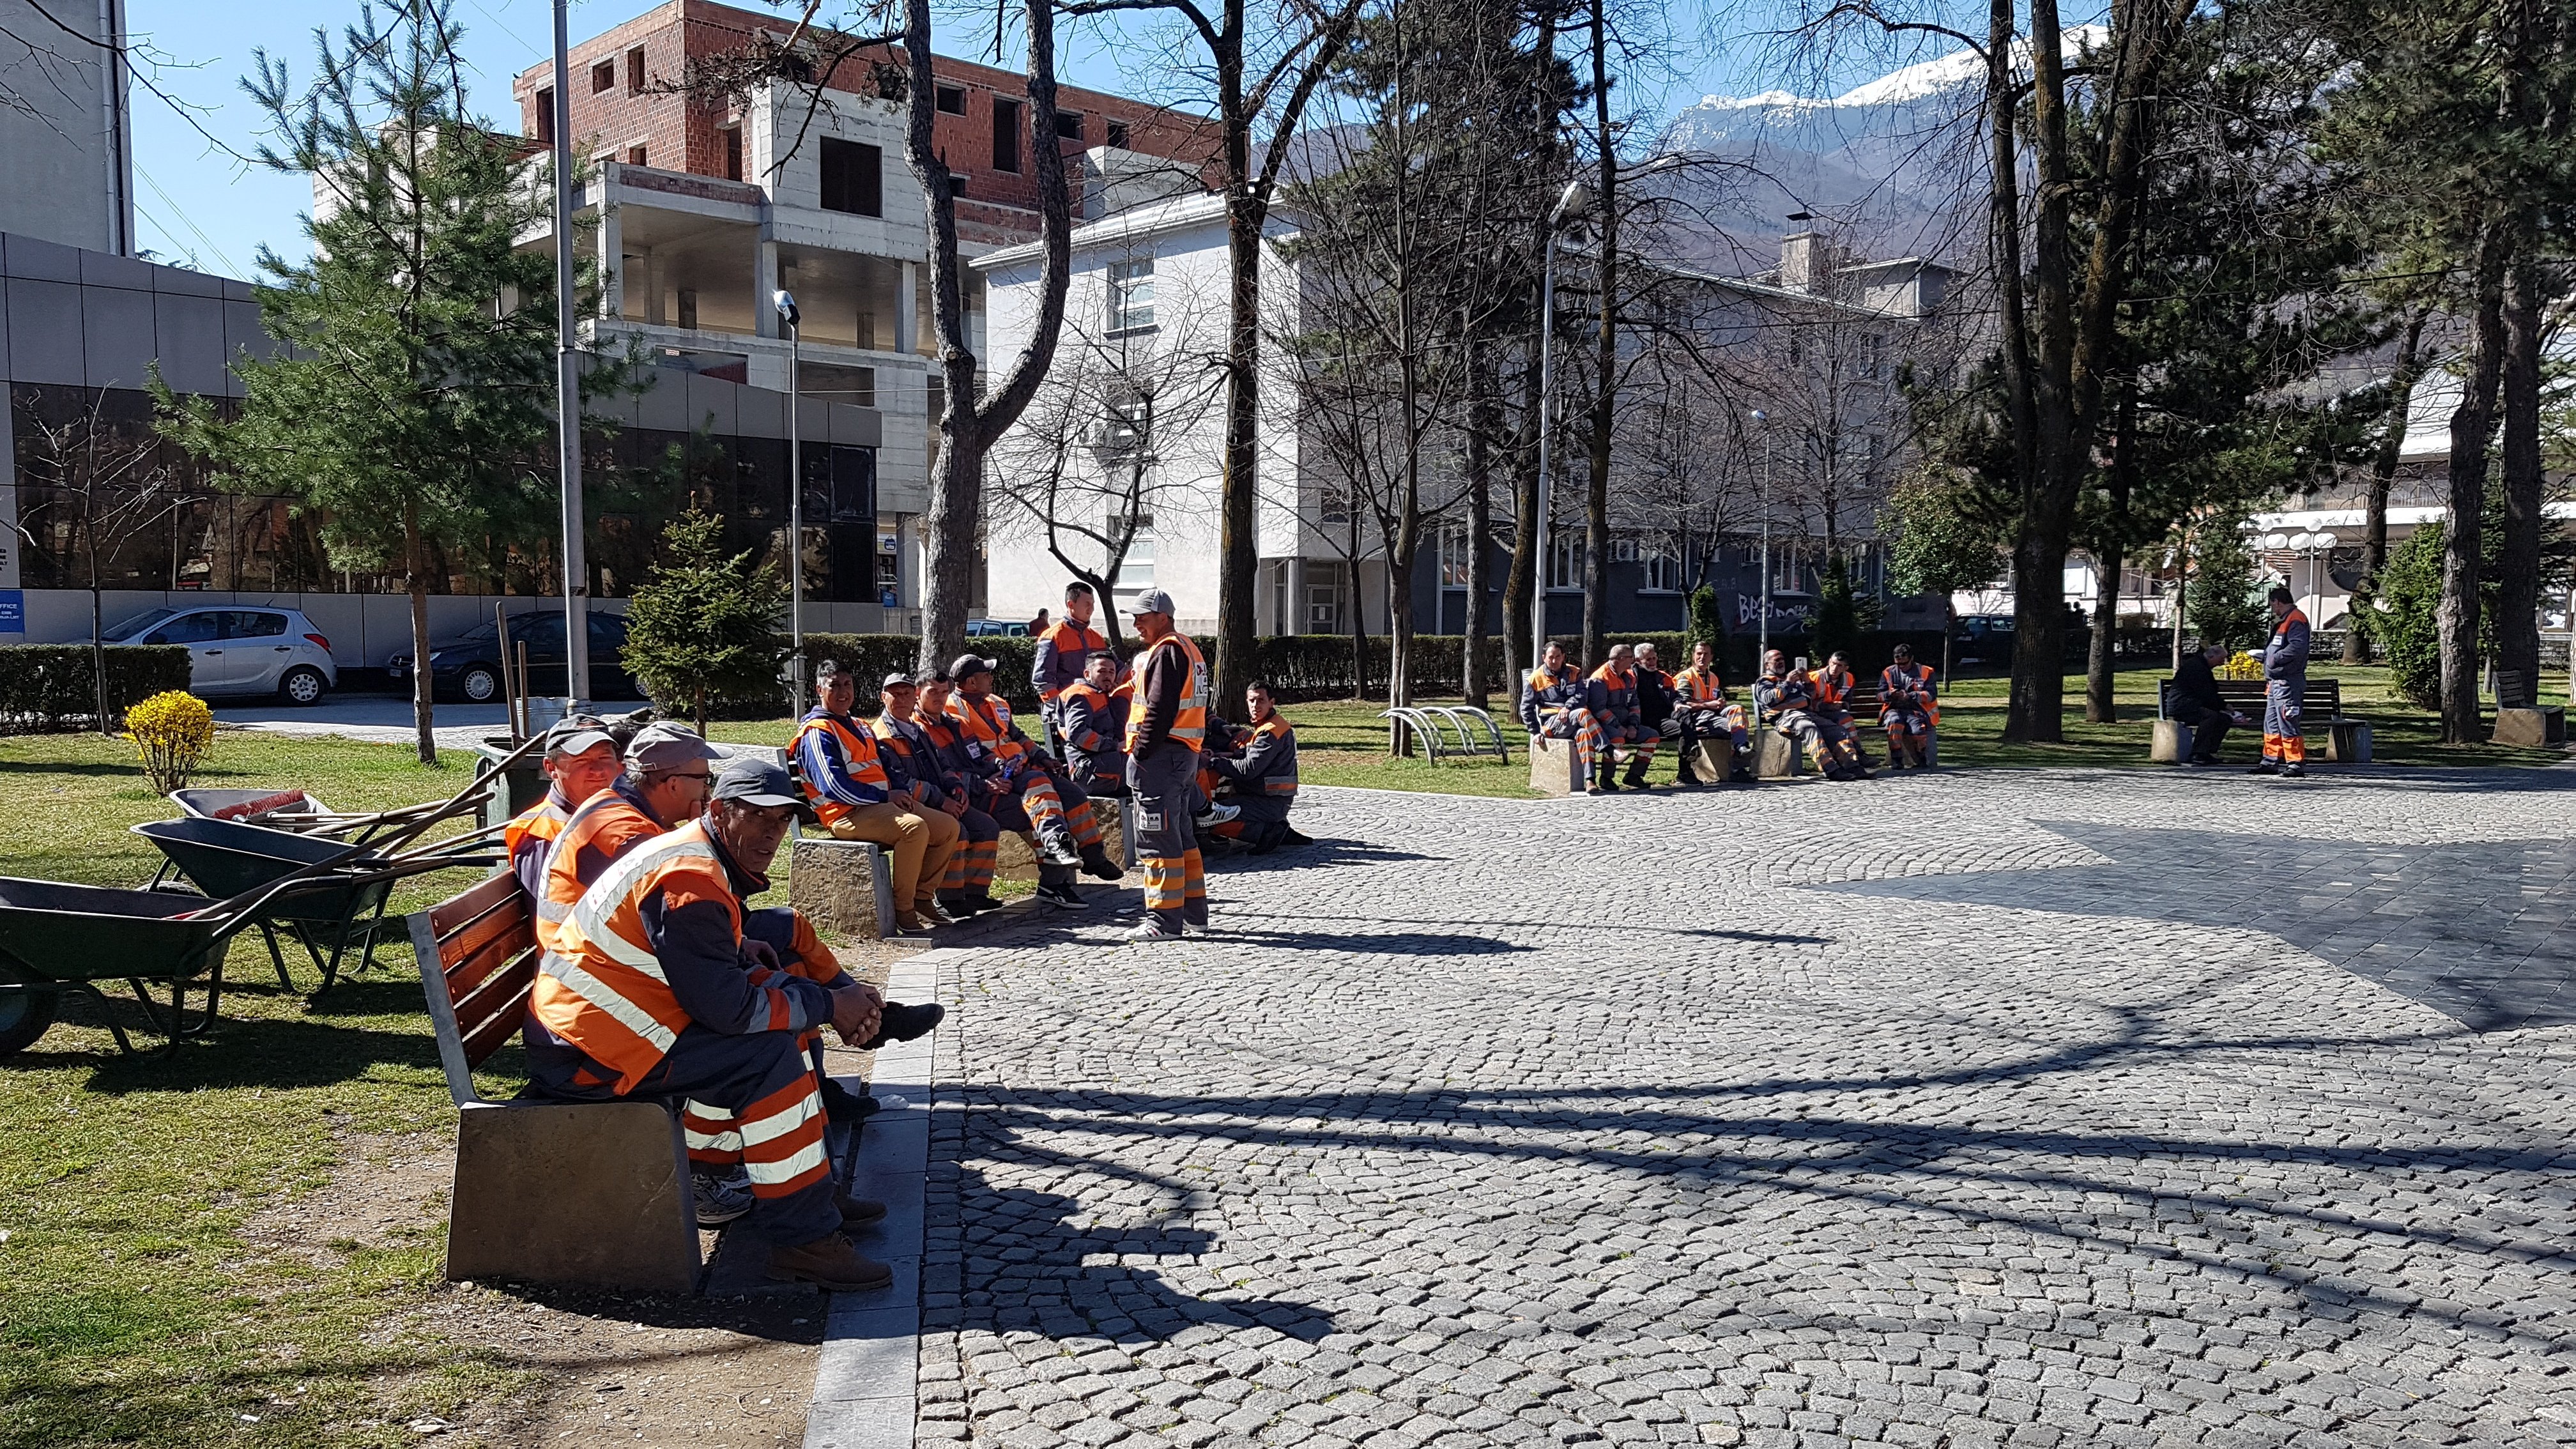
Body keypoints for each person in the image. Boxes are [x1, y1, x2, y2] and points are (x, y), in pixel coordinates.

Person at [525, 758, 895, 1291]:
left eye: (782, 820)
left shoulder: (697, 857)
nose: (772, 833)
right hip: (589, 1054)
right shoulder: (689, 879)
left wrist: (806, 990)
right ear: (719, 811)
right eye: (757, 816)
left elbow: (714, 978)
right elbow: (728, 1011)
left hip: (612, 1031)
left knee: (782, 1014)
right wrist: (831, 1006)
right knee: (766, 1056)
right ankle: (804, 1239)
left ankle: (811, 1193)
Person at [794, 659, 959, 932]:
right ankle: (903, 908)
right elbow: (833, 787)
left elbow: (888, 767)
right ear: (819, 690)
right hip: (845, 814)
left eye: (847, 684)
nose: (843, 692)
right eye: (834, 686)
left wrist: (900, 792)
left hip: (880, 806)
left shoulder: (860, 725)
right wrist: (885, 796)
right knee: (914, 829)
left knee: (948, 828)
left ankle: (922, 898)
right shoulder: (817, 732)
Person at [948, 654, 1124, 908]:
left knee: (1073, 795)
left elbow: (1018, 736)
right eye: (986, 675)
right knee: (1041, 797)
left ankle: (1094, 856)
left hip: (1022, 770)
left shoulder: (996, 703)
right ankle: (1055, 869)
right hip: (996, 779)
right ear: (971, 683)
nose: (991, 678)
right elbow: (968, 754)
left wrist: (1043, 757)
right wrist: (991, 776)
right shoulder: (953, 711)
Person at [872, 671, 1001, 919]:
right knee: (958, 830)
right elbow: (902, 782)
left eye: (906, 693)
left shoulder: (918, 730)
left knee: (986, 827)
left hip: (941, 799)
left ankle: (975, 892)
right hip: (914, 805)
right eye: (895, 694)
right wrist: (942, 801)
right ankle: (948, 896)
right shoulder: (884, 735)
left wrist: (956, 788)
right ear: (883, 697)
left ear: (914, 696)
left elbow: (944, 766)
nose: (901, 699)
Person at [1123, 588, 1213, 940]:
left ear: (1163, 617)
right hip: (1183, 755)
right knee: (1181, 837)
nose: (1136, 624)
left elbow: (1159, 709)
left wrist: (1141, 752)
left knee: (1157, 838)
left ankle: (1163, 921)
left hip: (1161, 758)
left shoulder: (1166, 650)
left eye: (1142, 618)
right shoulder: (1188, 648)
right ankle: (1193, 915)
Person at [503, 714, 620, 902]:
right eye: (582, 761)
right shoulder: (541, 835)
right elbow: (549, 913)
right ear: (551, 768)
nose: (598, 771)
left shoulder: (617, 810)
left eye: (605, 757)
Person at [1202, 680, 1307, 854]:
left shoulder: (1270, 732)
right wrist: (1226, 753)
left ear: (1271, 703)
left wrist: (1212, 762)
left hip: (1268, 802)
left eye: (1261, 700)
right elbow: (1251, 754)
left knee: (1209, 819)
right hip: (1269, 799)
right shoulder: (1271, 725)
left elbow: (1247, 769)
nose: (1255, 705)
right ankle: (1275, 828)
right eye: (1252, 701)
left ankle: (1266, 832)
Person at [1756, 649, 1870, 780]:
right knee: (1810, 728)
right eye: (1777, 660)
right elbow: (1769, 700)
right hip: (1786, 717)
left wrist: (1807, 682)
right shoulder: (1765, 681)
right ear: (1767, 665)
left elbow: (1809, 696)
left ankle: (1853, 766)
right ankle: (1830, 768)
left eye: (1782, 659)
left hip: (1807, 713)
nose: (1781, 662)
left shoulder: (1791, 679)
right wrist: (1787, 683)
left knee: (1837, 731)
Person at [1031, 583, 1113, 749]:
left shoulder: (1096, 637)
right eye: (1087, 603)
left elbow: (1117, 669)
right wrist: (1061, 709)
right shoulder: (1053, 636)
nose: (1092, 608)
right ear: (1071, 604)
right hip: (1066, 717)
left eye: (1093, 603)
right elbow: (1042, 681)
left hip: (1095, 713)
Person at [1670, 641, 1754, 785]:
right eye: (1699, 654)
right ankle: (1738, 768)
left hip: (1713, 714)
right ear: (1693, 656)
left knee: (1738, 710)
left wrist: (1720, 703)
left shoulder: (1713, 677)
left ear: (1711, 657)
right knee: (1735, 727)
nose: (1702, 657)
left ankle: (1741, 748)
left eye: (1706, 654)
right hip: (1697, 717)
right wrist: (1709, 704)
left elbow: (1716, 698)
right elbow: (1683, 705)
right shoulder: (1686, 677)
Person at [1518, 641, 1602, 782]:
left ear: (1563, 657)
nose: (1554, 661)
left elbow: (1582, 695)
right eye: (1551, 657)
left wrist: (1568, 708)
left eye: (1558, 657)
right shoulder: (1535, 679)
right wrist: (1535, 732)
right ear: (1544, 658)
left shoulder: (1574, 672)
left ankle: (1590, 780)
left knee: (1584, 734)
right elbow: (1526, 708)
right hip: (1551, 724)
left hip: (1572, 721)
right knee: (1583, 713)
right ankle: (1607, 749)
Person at [1583, 642, 1657, 793]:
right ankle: (1607, 778)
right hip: (1604, 725)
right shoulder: (1600, 678)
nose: (1633, 660)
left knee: (1652, 736)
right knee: (1617, 738)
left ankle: (1634, 776)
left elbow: (1635, 703)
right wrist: (1619, 727)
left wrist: (1633, 725)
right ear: (1621, 659)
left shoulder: (1629, 677)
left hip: (1626, 723)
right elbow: (1599, 710)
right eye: (1630, 657)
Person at [2254, 585, 2311, 778]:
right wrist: (2266, 657)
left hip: (2288, 682)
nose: (2272, 609)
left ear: (2277, 602)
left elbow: (2297, 648)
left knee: (2288, 722)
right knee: (2271, 724)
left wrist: (2274, 659)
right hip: (2276, 683)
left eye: (2272, 605)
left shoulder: (2296, 620)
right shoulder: (2286, 620)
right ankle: (2270, 761)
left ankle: (2295, 763)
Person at [1056, 653, 1130, 797]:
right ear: (1087, 674)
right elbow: (1078, 734)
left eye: (1112, 672)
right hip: (1087, 769)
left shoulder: (1101, 694)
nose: (1108, 676)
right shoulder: (1081, 695)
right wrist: (1114, 746)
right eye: (1102, 671)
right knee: (1147, 765)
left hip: (1101, 763)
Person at [2166, 641, 2245, 767]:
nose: (2222, 663)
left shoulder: (2201, 666)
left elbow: (2208, 693)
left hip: (2193, 705)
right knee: (2210, 717)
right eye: (2221, 659)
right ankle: (2197, 753)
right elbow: (2205, 693)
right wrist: (2223, 706)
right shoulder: (2197, 667)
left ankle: (2207, 752)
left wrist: (2222, 707)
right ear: (2212, 656)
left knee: (2224, 719)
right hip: (2183, 707)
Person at [1877, 645, 1940, 770]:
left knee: (1917, 730)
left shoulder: (1926, 672)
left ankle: (1921, 759)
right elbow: (1879, 695)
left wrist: (1911, 696)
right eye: (1898, 664)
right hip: (1894, 710)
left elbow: (1931, 695)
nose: (1901, 666)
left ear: (1912, 658)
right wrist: (1890, 695)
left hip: (1917, 710)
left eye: (1904, 663)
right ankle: (1897, 760)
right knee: (1894, 722)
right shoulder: (1888, 672)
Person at [1807, 652, 1873, 768]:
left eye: (1839, 666)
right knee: (1844, 720)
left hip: (1836, 713)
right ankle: (1857, 757)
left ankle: (1858, 754)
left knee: (1846, 719)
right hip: (1815, 714)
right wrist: (1828, 706)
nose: (1835, 668)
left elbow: (1848, 701)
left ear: (1846, 668)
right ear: (1829, 662)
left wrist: (1842, 705)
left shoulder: (1849, 678)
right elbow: (1806, 704)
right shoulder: (1814, 677)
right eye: (1833, 664)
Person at [1630, 642, 1683, 780]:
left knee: (1686, 726)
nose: (1653, 662)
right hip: (1641, 721)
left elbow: (1675, 695)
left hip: (1663, 719)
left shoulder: (1662, 676)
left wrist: (1677, 703)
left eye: (1654, 658)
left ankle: (1686, 771)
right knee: (1653, 735)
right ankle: (1634, 775)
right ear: (1638, 660)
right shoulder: (1631, 677)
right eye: (1648, 659)